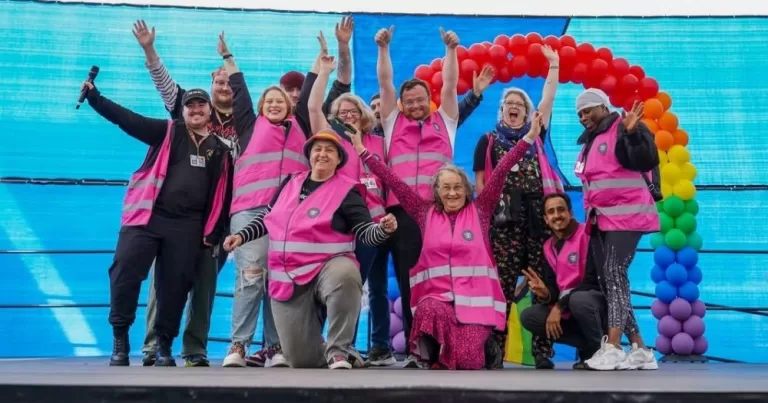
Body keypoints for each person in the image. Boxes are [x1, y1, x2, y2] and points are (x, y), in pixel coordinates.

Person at [351, 105, 545, 369]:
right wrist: (363, 152)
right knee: (429, 310)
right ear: (437, 192)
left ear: (466, 190)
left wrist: (530, 136)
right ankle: (437, 351)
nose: (452, 193)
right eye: (446, 188)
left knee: (468, 362)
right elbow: (394, 181)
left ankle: (480, 346)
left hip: (474, 307)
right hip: (439, 301)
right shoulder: (423, 212)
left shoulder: (481, 209)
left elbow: (501, 171)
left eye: (457, 188)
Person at [82, 81, 231, 367]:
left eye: (201, 104)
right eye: (190, 105)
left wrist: (214, 232)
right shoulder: (167, 131)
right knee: (124, 271)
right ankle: (120, 338)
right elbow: (128, 120)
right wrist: (95, 98)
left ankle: (164, 343)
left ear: (210, 111)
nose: (196, 109)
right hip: (147, 217)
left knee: (175, 286)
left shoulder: (219, 150)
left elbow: (221, 196)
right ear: (182, 112)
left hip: (187, 225)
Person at [223, 130, 398, 369]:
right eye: (317, 149)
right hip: (289, 277)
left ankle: (339, 351)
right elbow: (267, 216)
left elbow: (365, 232)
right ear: (309, 155)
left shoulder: (349, 190)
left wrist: (384, 230)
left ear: (339, 159)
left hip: (329, 268)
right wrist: (241, 235)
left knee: (346, 274)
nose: (322, 154)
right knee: (301, 360)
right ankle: (335, 355)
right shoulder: (289, 182)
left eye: (329, 150)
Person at [131, 19, 232, 368]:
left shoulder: (245, 124)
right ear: (209, 85)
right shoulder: (189, 110)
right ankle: (153, 346)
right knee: (164, 282)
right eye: (218, 81)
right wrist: (149, 49)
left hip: (217, 222)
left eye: (229, 83)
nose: (223, 87)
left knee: (204, 287)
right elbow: (163, 83)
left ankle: (194, 350)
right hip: (177, 222)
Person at [374, 25, 465, 366]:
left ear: (430, 100)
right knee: (409, 280)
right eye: (408, 101)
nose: (414, 105)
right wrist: (384, 48)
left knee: (440, 283)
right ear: (401, 104)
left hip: (439, 215)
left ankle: (446, 345)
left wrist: (451, 51)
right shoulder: (392, 122)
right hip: (401, 214)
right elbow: (385, 82)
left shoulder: (447, 120)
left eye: (420, 100)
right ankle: (417, 349)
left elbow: (452, 83)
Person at [472, 45, 563, 369]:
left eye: (519, 105)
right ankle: (493, 351)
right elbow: (481, 187)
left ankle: (542, 353)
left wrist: (554, 66)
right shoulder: (488, 140)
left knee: (542, 285)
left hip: (538, 222)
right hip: (503, 225)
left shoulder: (536, 135)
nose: (513, 108)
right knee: (502, 287)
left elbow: (548, 100)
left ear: (527, 112)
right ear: (501, 111)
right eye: (508, 104)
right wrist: (485, 224)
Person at [308, 51, 395, 364]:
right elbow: (312, 107)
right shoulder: (331, 139)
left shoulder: (379, 141)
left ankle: (379, 347)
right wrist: (325, 72)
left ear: (362, 115)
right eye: (342, 112)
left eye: (353, 111)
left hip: (375, 222)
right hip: (339, 225)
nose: (347, 116)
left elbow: (388, 93)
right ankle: (338, 346)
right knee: (343, 285)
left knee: (376, 286)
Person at [572, 88, 659, 371]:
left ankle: (612, 346)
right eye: (580, 113)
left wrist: (633, 134)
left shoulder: (624, 126)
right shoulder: (589, 140)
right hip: (601, 219)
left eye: (588, 110)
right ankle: (641, 349)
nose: (583, 116)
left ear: (603, 106)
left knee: (613, 273)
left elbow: (646, 159)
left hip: (628, 215)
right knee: (610, 279)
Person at [520, 192, 607, 370]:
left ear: (570, 212)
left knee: (579, 300)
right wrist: (546, 294)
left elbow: (593, 281)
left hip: (596, 304)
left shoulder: (588, 234)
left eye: (561, 210)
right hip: (570, 307)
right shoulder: (548, 247)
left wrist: (559, 307)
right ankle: (588, 347)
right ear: (546, 219)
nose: (557, 215)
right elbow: (554, 287)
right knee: (530, 316)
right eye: (551, 212)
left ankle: (601, 352)